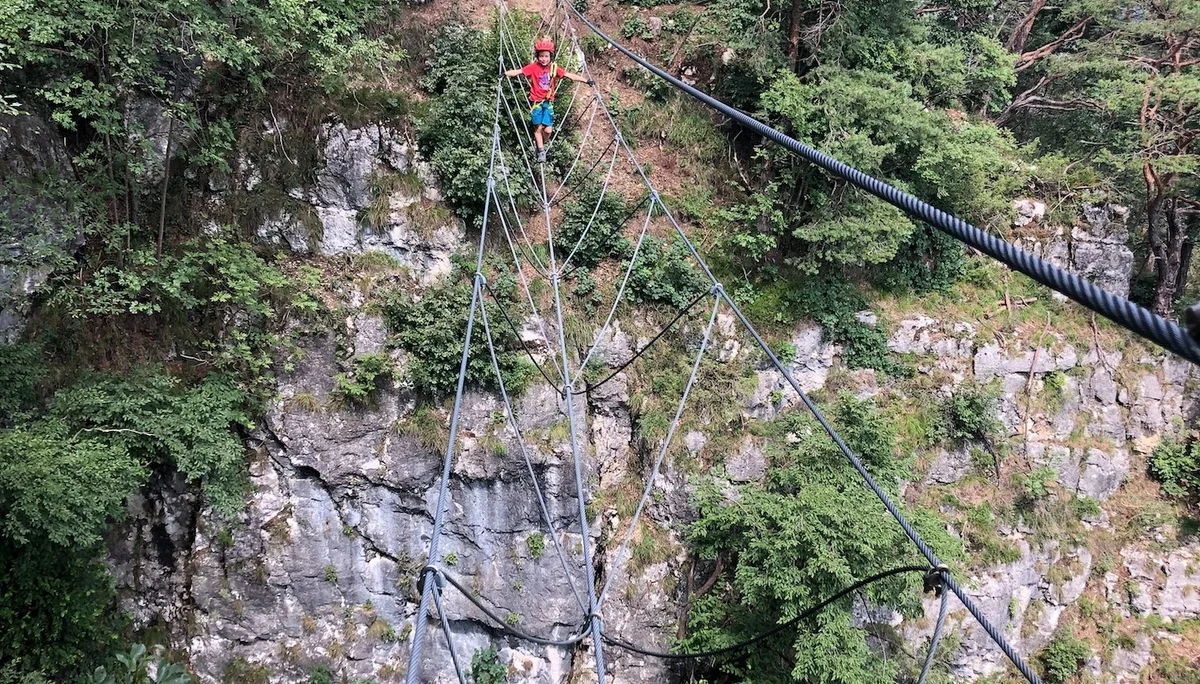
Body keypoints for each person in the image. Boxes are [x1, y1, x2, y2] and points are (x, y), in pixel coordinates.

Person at [504, 38, 592, 162]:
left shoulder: (554, 68)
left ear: (550, 56)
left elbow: (569, 76)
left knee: (548, 130)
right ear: (537, 57)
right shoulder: (533, 67)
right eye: (541, 56)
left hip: (548, 103)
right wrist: (505, 74)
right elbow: (519, 72)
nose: (543, 59)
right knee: (538, 129)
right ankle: (540, 150)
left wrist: (586, 80)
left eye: (546, 56)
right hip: (536, 104)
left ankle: (540, 144)